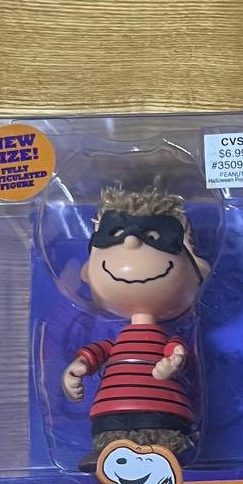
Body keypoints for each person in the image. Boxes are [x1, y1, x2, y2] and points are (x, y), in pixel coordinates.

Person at [61, 184, 210, 469]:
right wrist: (79, 365)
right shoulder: (116, 343)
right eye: (115, 234)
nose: (131, 242)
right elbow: (100, 352)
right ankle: (111, 455)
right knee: (110, 428)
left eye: (154, 237)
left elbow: (176, 350)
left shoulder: (166, 338)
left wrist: (174, 361)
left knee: (161, 430)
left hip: (162, 410)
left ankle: (159, 455)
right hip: (111, 409)